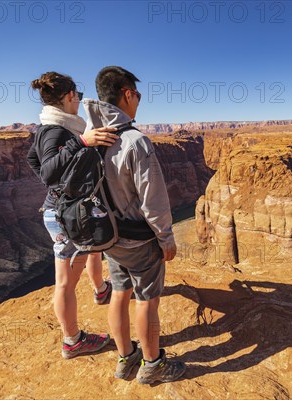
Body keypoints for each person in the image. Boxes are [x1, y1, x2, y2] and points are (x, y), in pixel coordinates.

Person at [82, 66, 186, 383]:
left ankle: (126, 359)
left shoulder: (89, 138)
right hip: (138, 241)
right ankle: (153, 365)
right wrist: (166, 239)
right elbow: (153, 200)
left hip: (107, 237)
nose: (139, 100)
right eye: (138, 95)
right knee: (146, 302)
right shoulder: (135, 142)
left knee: (119, 294)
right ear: (127, 94)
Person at [26, 71, 118, 359]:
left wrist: (61, 183)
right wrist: (82, 142)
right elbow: (49, 170)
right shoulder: (56, 130)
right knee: (65, 282)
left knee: (91, 250)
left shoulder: (50, 126)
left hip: (70, 208)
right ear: (69, 97)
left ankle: (101, 289)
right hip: (64, 214)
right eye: (77, 95)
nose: (78, 100)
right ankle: (72, 340)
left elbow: (33, 159)